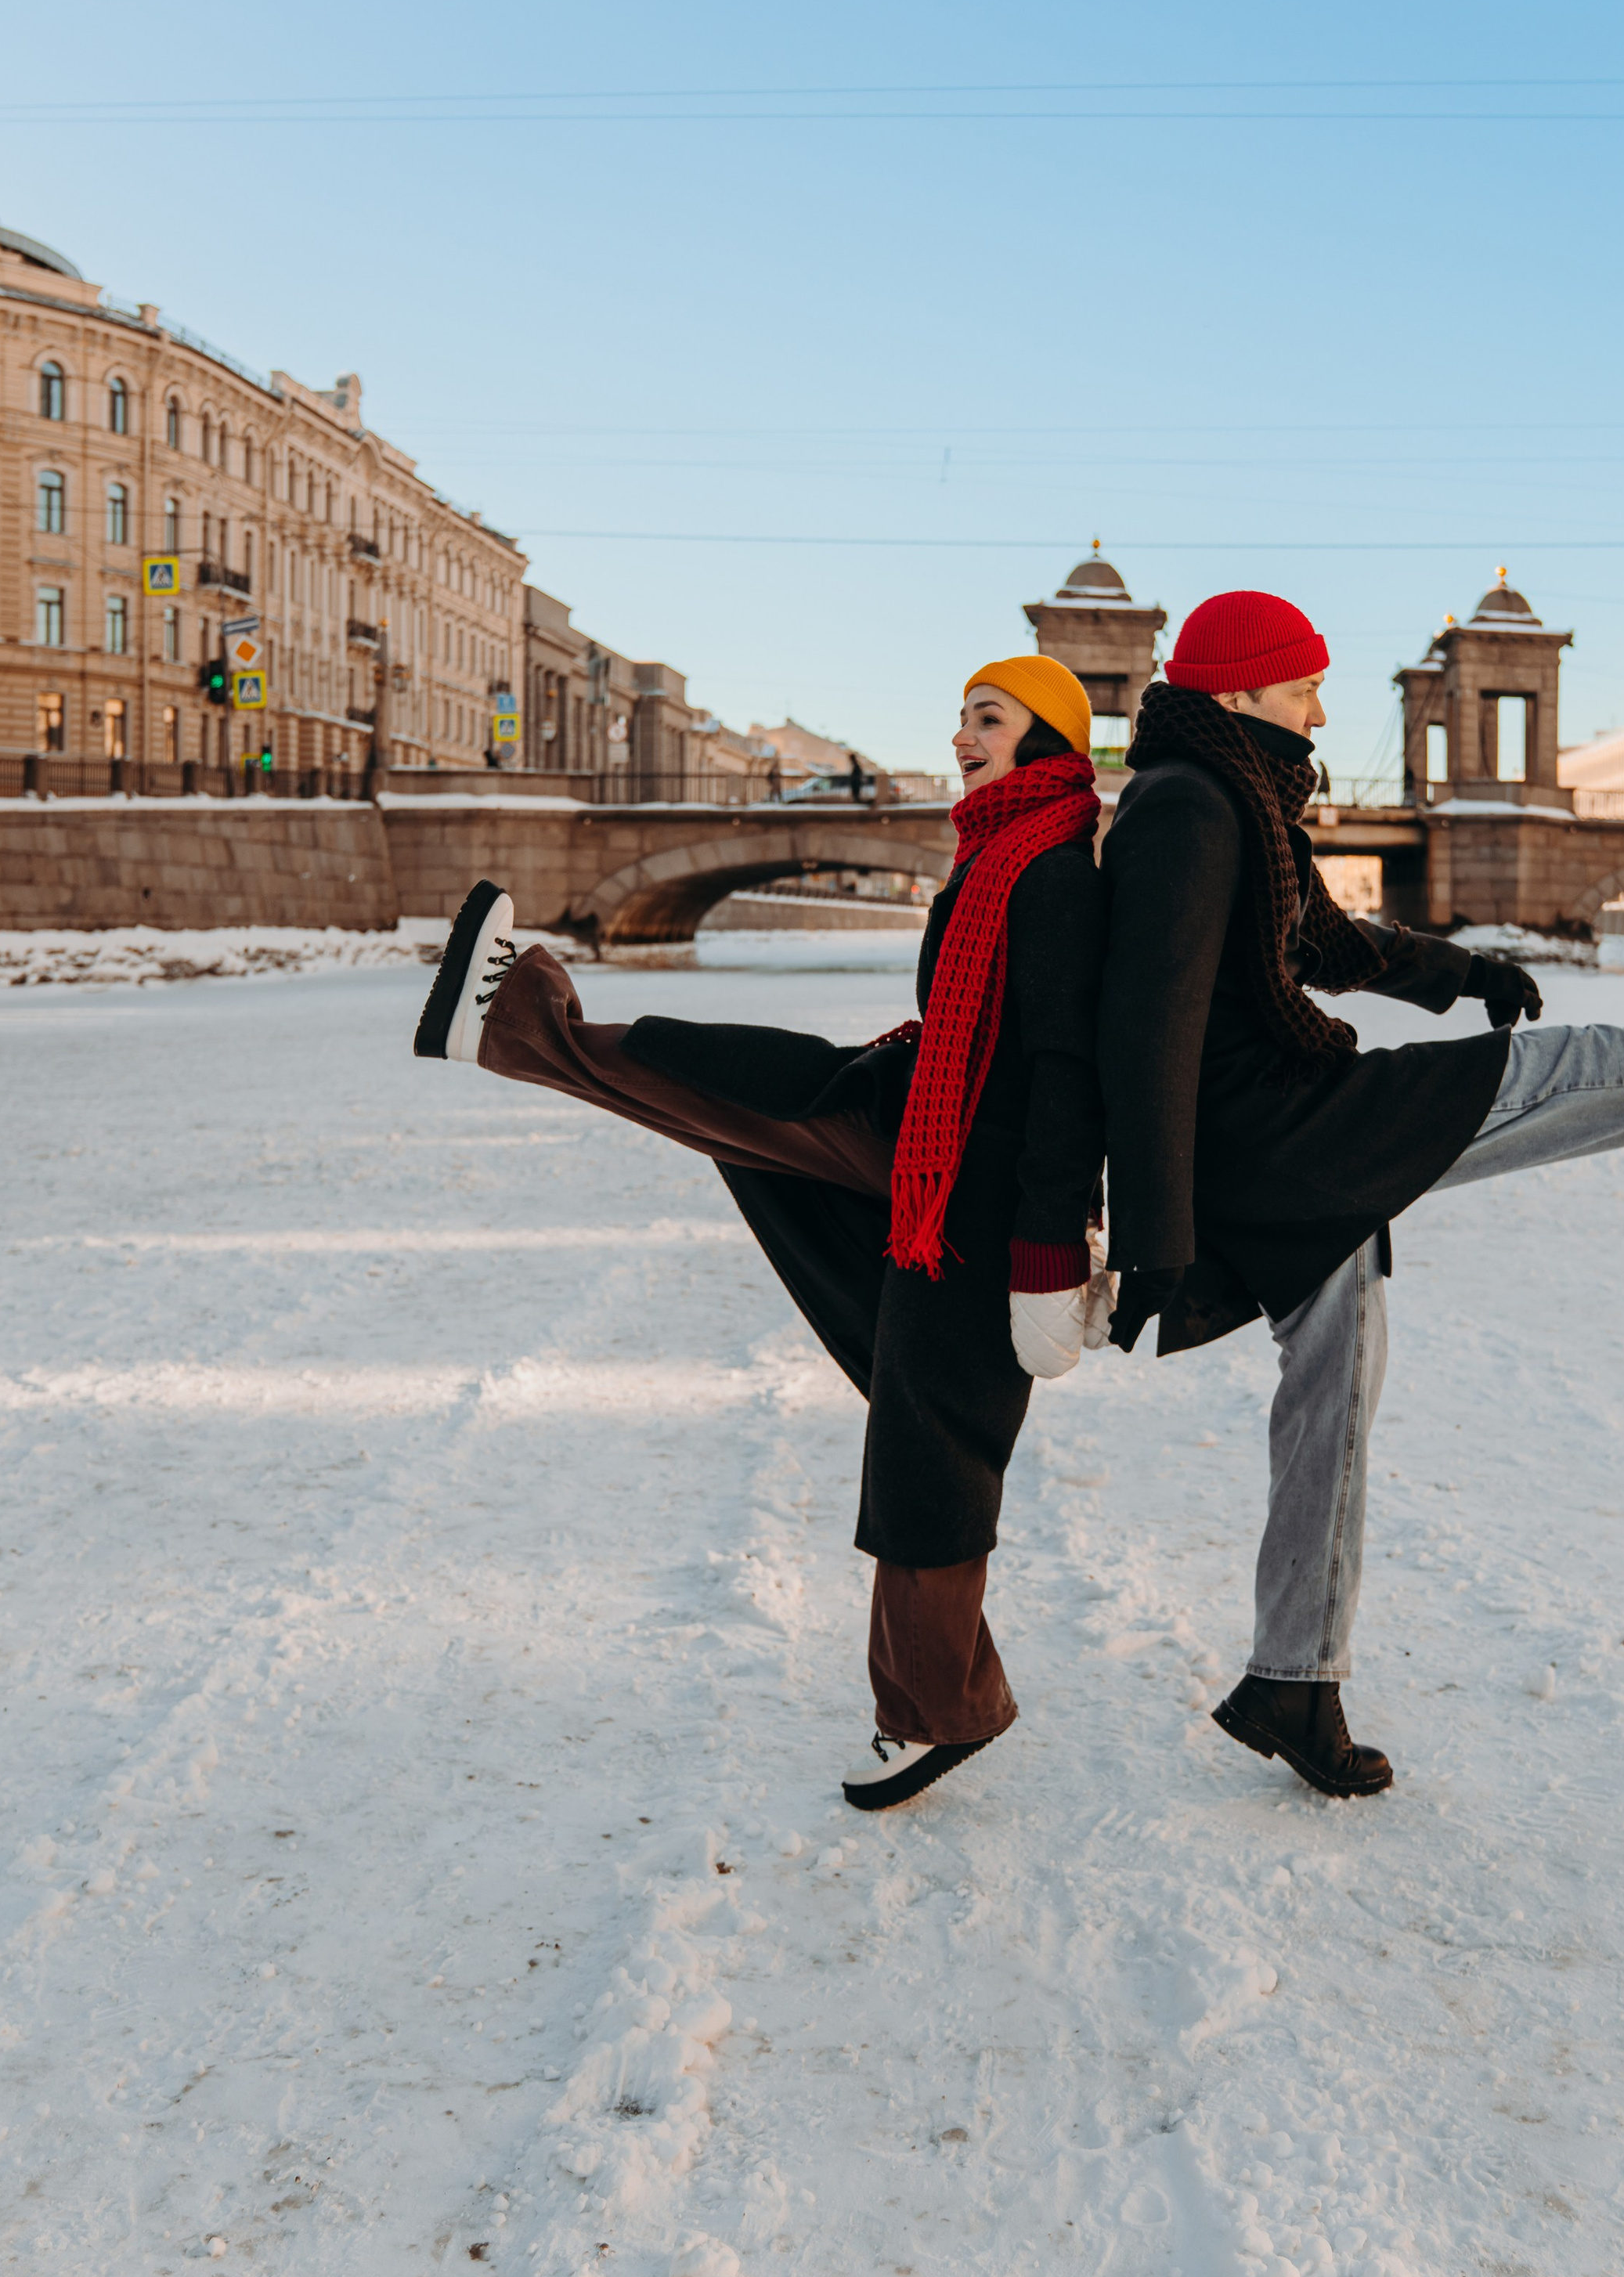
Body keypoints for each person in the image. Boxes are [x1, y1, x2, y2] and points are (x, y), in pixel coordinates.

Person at [1098, 588, 1624, 1802]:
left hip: (1277, 1137)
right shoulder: (1187, 809)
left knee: (1332, 1395)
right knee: (1586, 1073)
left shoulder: (1231, 793)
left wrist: (1464, 970)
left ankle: (1295, 1679)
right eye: (1300, 687)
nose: (1321, 708)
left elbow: (1319, 945)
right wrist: (1155, 1237)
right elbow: (1147, 1030)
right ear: (1239, 691)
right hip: (1288, 1137)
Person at [413, 655, 1108, 1813]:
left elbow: (1066, 1073)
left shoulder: (1056, 872)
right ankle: (507, 1019)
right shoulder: (1001, 847)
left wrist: (1048, 1248)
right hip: (916, 1122)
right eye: (961, 717)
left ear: (1050, 738)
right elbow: (970, 1025)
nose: (962, 738)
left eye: (988, 718)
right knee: (720, 1079)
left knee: (932, 1452)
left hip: (963, 1193)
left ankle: (937, 1711)